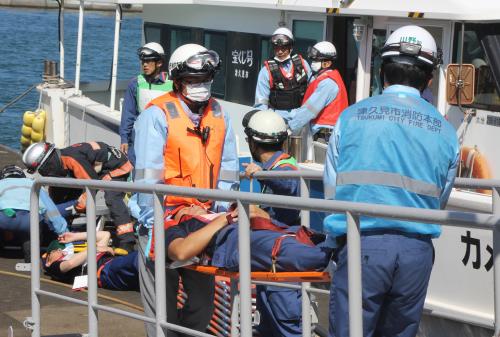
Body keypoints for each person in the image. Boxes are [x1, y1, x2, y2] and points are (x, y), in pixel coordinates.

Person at [323, 25, 459, 337]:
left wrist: (333, 244)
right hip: (416, 251)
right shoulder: (445, 131)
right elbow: (440, 199)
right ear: (429, 78)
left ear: (382, 71)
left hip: (361, 243)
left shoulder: (351, 117)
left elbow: (331, 190)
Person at [133, 43, 239, 337]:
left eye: (205, 80)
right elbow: (146, 178)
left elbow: (228, 168)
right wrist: (155, 226)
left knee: (203, 304)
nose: (200, 87)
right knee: (161, 310)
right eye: (193, 81)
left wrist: (218, 215)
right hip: (162, 218)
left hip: (200, 222)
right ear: (178, 81)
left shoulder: (219, 115)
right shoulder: (157, 115)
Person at [241, 109, 302, 336]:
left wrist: (263, 173)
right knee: (268, 321)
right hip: (272, 256)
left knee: (285, 321)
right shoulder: (278, 165)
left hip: (282, 258)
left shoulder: (283, 167)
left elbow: (289, 184)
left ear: (253, 144)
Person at [22, 141, 135, 252]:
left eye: (42, 170)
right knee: (59, 196)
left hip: (116, 168)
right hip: (96, 171)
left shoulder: (72, 159)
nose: (43, 174)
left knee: (112, 199)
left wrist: (77, 207)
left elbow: (91, 186)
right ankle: (60, 233)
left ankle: (127, 240)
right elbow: (56, 192)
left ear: (48, 163)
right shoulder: (60, 162)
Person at [0, 165, 68, 261]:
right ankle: (31, 260)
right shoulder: (35, 184)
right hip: (29, 219)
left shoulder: (1, 183)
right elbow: (52, 211)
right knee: (31, 232)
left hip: (4, 218)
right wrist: (64, 233)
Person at [120, 42, 173, 165]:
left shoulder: (172, 84)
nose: (144, 64)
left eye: (148, 61)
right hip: (139, 140)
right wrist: (124, 139)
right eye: (143, 61)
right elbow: (128, 114)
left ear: (159, 63)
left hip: (165, 140)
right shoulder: (135, 83)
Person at [284, 41, 348, 138]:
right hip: (324, 134)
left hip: (325, 136)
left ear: (327, 63)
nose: (312, 63)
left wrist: (290, 128)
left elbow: (310, 110)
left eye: (316, 60)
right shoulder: (324, 79)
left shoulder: (328, 83)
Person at [43, 230, 139, 290]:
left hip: (112, 265)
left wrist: (75, 236)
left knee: (142, 265)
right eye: (55, 251)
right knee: (139, 260)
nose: (61, 250)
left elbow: (105, 235)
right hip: (105, 271)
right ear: (48, 262)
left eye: (62, 249)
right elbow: (69, 264)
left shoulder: (82, 254)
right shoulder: (54, 266)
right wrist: (95, 249)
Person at [254, 27, 312, 111]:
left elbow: (313, 89)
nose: (279, 51)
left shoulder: (303, 64)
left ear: (291, 47)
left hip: (300, 116)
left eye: (283, 48)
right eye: (276, 48)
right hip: (277, 119)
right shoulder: (266, 71)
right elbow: (261, 101)